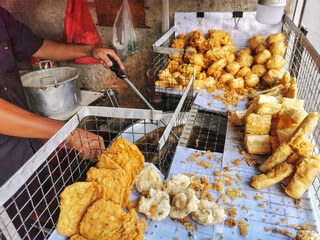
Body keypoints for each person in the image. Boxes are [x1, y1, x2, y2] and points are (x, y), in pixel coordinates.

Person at [0, 6, 125, 186]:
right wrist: (68, 134)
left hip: (27, 147)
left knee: (41, 201)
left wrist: (90, 50)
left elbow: (38, 46)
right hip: (4, 165)